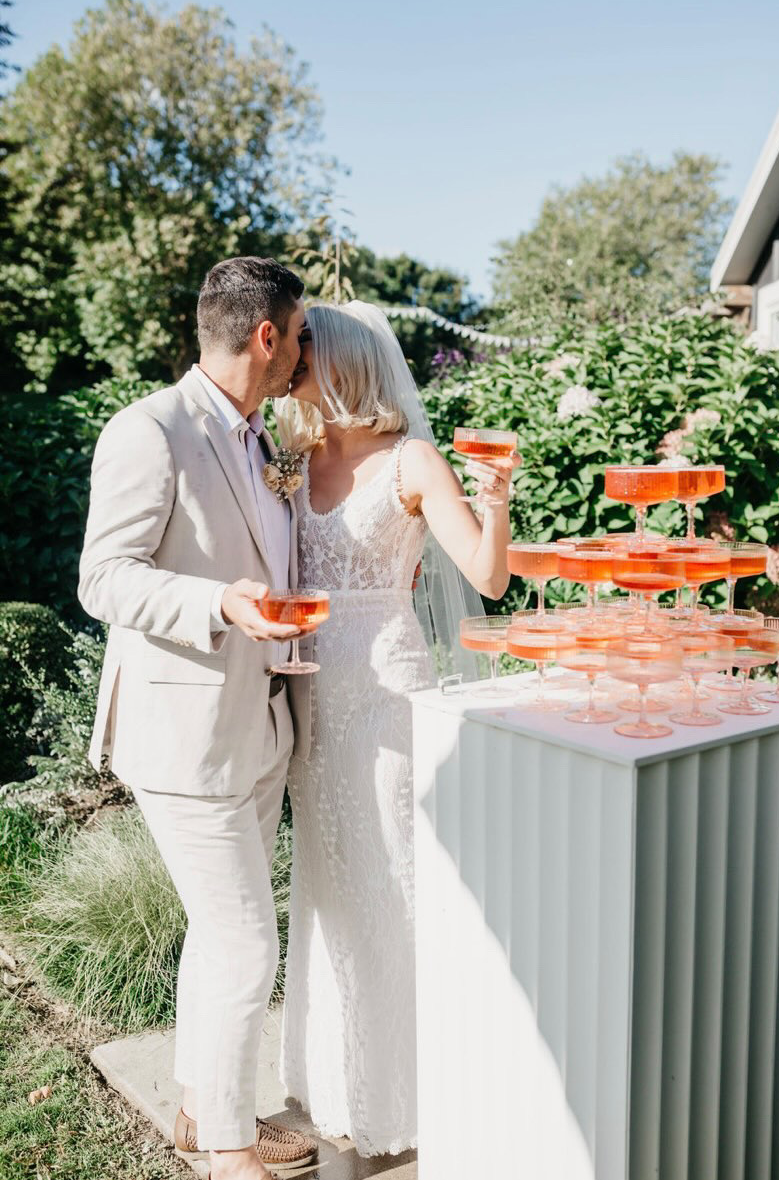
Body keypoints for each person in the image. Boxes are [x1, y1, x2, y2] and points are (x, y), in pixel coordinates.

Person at [78, 257, 318, 1180]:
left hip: (259, 728)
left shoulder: (265, 438)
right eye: (299, 334)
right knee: (248, 943)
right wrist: (218, 602)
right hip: (183, 738)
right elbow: (105, 578)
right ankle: (229, 1149)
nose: (304, 352)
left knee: (222, 935)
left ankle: (198, 1108)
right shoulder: (148, 430)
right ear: (267, 335)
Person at [273, 300, 518, 1155]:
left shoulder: (413, 457)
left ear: (340, 357)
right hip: (311, 697)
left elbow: (487, 576)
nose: (291, 361)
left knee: (395, 876)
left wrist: (497, 500)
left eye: (303, 348)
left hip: (388, 690)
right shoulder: (293, 454)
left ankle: (424, 1084)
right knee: (328, 881)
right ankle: (344, 1078)